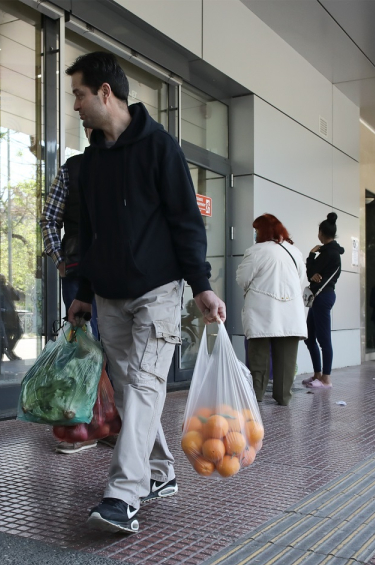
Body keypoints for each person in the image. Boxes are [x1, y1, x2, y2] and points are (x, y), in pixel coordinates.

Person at [64, 51, 226, 534]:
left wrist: (201, 285)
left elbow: (185, 221)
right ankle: (159, 472)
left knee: (147, 386)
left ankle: (123, 495)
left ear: (105, 93)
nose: (75, 105)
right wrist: (85, 293)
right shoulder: (90, 163)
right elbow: (88, 233)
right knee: (134, 389)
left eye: (79, 94)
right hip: (109, 296)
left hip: (157, 291)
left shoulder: (160, 148)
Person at [39, 129, 101, 455]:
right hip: (79, 270)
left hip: (107, 271)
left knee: (106, 350)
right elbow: (49, 219)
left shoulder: (124, 164)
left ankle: (106, 423)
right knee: (83, 351)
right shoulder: (73, 168)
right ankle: (83, 426)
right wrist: (60, 260)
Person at [236, 214, 307, 406]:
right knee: (287, 361)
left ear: (262, 231)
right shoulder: (295, 252)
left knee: (258, 358)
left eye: (256, 230)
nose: (255, 234)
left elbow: (242, 279)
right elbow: (301, 281)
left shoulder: (256, 251)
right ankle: (283, 396)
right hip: (291, 314)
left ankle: (257, 395)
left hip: (262, 311)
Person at [302, 213, 344, 388]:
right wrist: (313, 272)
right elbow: (312, 274)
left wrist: (311, 257)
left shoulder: (330, 254)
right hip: (318, 297)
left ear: (321, 233)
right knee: (310, 338)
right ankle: (318, 374)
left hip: (322, 296)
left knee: (323, 339)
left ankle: (326, 378)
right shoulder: (328, 252)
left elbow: (311, 272)